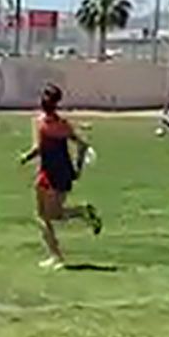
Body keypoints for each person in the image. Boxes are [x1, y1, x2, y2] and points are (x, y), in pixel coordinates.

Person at [20, 83, 102, 268]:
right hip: (61, 172)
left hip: (51, 172)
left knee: (46, 216)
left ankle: (57, 255)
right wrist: (78, 169)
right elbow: (82, 145)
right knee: (49, 215)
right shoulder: (62, 124)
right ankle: (80, 215)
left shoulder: (41, 122)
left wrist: (25, 157)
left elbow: (39, 148)